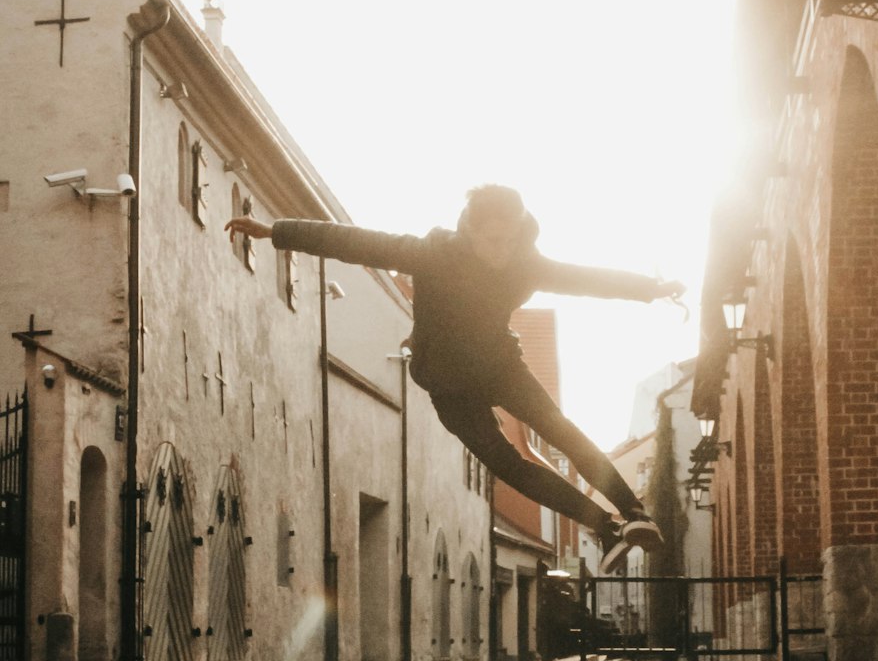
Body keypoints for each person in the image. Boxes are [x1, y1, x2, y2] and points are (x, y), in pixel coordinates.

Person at [225, 185, 684, 574]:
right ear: (469, 232)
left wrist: (650, 289)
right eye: (491, 241)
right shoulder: (431, 254)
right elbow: (355, 242)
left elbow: (585, 279)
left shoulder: (526, 261)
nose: (500, 253)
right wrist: (276, 232)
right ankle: (605, 528)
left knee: (559, 428)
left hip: (500, 365)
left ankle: (635, 515)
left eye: (508, 241)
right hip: (447, 381)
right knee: (507, 464)